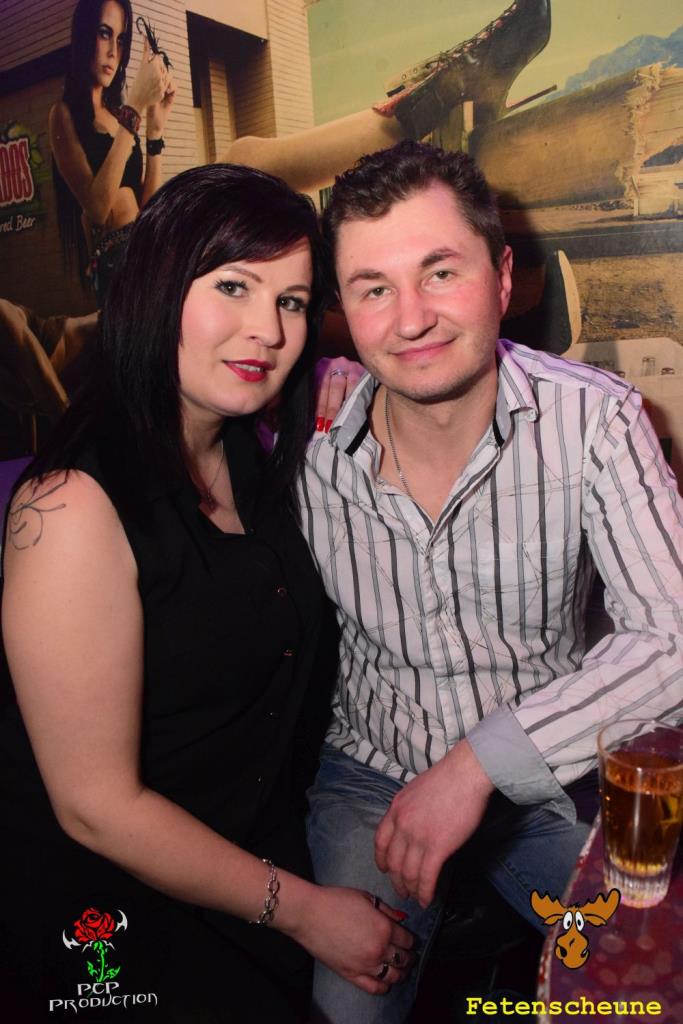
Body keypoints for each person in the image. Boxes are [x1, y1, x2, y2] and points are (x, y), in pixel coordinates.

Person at [0, 163, 414, 1022]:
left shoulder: (247, 459)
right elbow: (94, 808)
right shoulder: (72, 506)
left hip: (251, 869)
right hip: (113, 918)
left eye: (291, 301)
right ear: (158, 287)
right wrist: (308, 912)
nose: (267, 328)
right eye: (233, 286)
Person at [298, 140, 683, 1023]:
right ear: (343, 310)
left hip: (545, 778)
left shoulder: (595, 419)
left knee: (641, 990)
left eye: (440, 272)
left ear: (502, 278)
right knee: (346, 1011)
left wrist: (478, 766)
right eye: (372, 289)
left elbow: (670, 636)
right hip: (369, 775)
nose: (410, 319)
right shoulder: (306, 444)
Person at [50, 0, 175, 304]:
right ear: (84, 35)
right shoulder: (63, 115)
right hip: (116, 268)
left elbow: (148, 210)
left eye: (121, 40)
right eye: (104, 33)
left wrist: (155, 133)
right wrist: (135, 106)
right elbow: (97, 208)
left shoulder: (120, 116)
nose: (113, 52)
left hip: (147, 252)